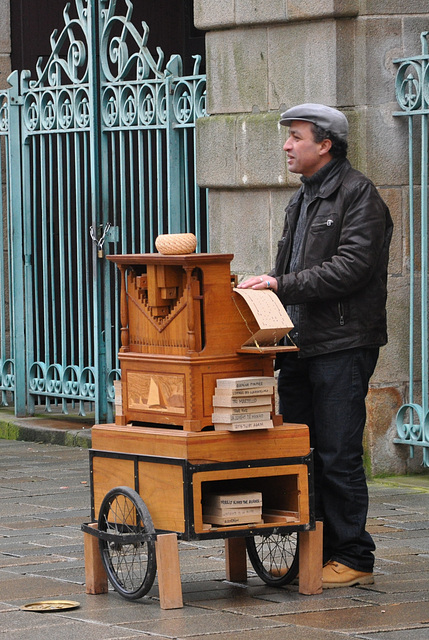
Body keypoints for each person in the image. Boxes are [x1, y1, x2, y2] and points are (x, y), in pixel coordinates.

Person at [237, 103, 393, 588]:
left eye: (296, 136)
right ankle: (317, 551)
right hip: (301, 346)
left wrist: (280, 284)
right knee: (303, 451)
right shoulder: (303, 198)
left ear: (325, 144)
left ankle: (354, 556)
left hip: (344, 345)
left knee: (338, 451)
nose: (287, 145)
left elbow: (351, 268)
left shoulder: (359, 195)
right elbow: (291, 269)